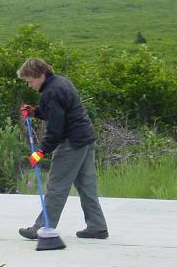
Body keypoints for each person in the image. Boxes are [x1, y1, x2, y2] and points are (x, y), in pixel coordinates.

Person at [17, 57, 108, 240]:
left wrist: (40, 152)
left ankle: (42, 227)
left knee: (57, 186)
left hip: (72, 143)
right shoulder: (59, 82)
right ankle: (97, 227)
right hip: (85, 139)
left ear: (40, 75)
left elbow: (55, 130)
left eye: (30, 81)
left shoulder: (52, 91)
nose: (30, 85)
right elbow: (55, 112)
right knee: (86, 186)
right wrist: (35, 112)